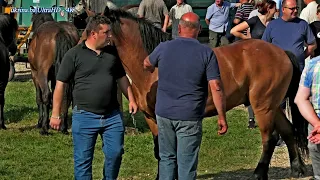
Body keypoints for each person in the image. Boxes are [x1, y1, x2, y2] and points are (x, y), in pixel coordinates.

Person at [49, 15, 138, 180]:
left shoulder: (112, 53)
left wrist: (131, 99)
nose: (110, 35)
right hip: (84, 117)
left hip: (112, 116)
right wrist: (56, 113)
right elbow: (60, 85)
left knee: (116, 153)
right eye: (107, 32)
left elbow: (122, 78)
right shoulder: (74, 55)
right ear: (93, 34)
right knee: (83, 161)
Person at [143, 12, 227, 179]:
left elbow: (146, 63)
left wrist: (151, 68)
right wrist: (222, 116)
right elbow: (216, 87)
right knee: (186, 162)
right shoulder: (206, 52)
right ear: (199, 29)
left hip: (164, 113)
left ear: (179, 28)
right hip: (189, 115)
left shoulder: (164, 47)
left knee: (166, 158)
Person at [231, 0, 276, 129]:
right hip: (255, 58)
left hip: (270, 58)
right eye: (274, 8)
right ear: (269, 9)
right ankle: (251, 118)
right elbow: (234, 30)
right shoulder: (255, 20)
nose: (276, 11)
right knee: (253, 87)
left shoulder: (274, 23)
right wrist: (248, 40)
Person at [262, 0, 316, 72]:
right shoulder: (272, 25)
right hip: (278, 70)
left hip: (297, 70)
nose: (296, 10)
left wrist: (301, 57)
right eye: (292, 8)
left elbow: (312, 45)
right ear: (283, 9)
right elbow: (264, 46)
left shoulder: (303, 24)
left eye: (296, 8)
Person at [294, 56, 320, 180]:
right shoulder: (312, 65)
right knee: (315, 148)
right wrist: (317, 124)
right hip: (316, 121)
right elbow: (300, 99)